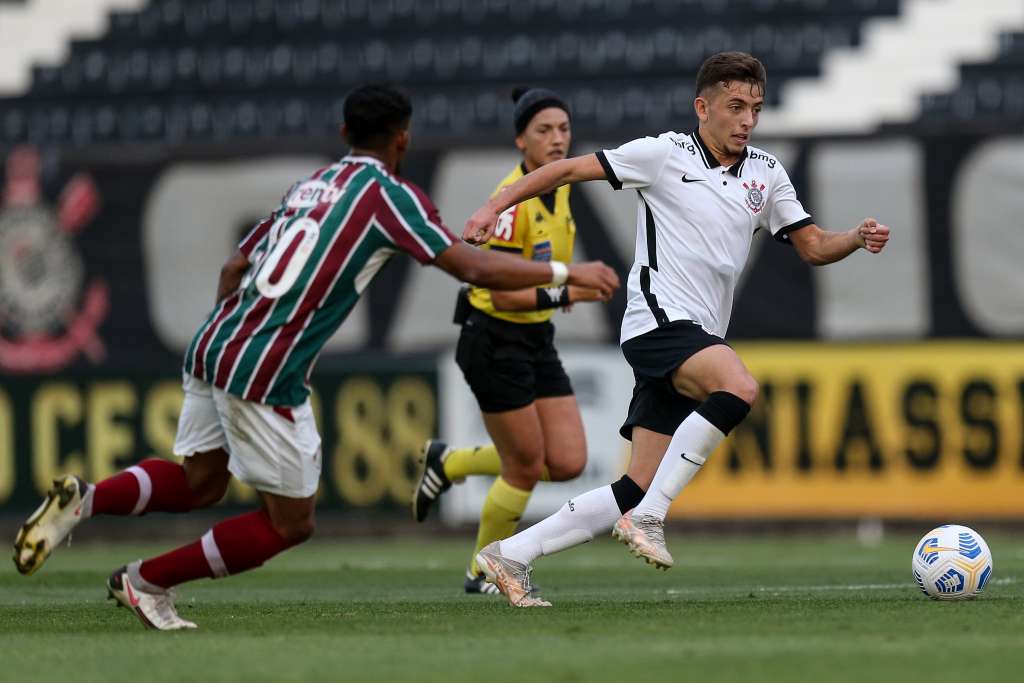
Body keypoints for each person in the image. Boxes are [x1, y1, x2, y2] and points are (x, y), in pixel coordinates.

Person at [11, 84, 619, 627]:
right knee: (289, 524)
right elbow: (471, 264)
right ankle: (146, 581)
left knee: (202, 482)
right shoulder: (390, 197)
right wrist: (573, 271)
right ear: (402, 139)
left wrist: (237, 326)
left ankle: (87, 499)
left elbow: (233, 265)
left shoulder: (311, 183)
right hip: (267, 368)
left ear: (343, 135)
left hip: (214, 342)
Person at [461, 52, 892, 607]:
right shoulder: (663, 154)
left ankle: (509, 554)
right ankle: (652, 518)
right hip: (657, 322)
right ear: (702, 106)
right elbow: (569, 170)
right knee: (738, 386)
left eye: (755, 108)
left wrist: (855, 236)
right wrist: (491, 207)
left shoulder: (767, 172)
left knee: (630, 485)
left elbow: (812, 246)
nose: (746, 120)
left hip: (695, 333)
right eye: (735, 107)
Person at [411, 87, 607, 595]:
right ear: (521, 139)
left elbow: (537, 288)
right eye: (544, 130)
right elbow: (502, 298)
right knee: (523, 464)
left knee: (566, 462)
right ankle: (483, 571)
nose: (557, 139)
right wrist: (574, 292)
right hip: (492, 338)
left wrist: (564, 292)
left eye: (564, 129)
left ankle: (451, 462)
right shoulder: (510, 203)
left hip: (535, 338)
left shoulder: (559, 188)